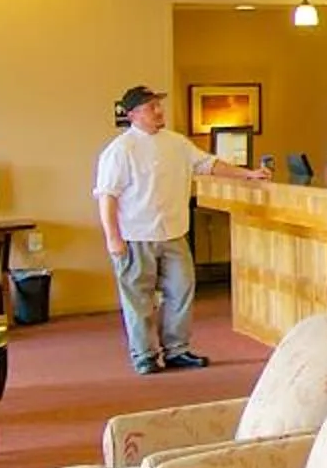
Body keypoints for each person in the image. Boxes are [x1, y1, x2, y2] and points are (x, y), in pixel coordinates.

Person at [95, 83, 268, 376]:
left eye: (158, 105)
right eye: (151, 107)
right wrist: (113, 238)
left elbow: (208, 164)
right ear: (133, 114)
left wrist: (248, 174)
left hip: (174, 233)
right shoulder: (120, 150)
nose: (158, 111)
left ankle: (177, 349)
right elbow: (107, 196)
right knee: (139, 299)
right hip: (136, 236)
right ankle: (144, 355)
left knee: (181, 290)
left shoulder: (176, 143)